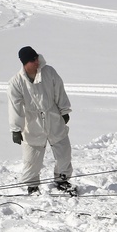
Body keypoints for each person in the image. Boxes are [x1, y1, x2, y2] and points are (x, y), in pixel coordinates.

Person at [8, 46, 73, 195]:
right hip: (32, 124)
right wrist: (16, 129)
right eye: (32, 60)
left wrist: (64, 111)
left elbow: (60, 91)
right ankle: (32, 186)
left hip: (54, 118)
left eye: (36, 57)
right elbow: (14, 107)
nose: (37, 61)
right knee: (31, 159)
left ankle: (62, 180)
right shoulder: (16, 82)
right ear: (25, 63)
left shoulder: (49, 72)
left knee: (64, 154)